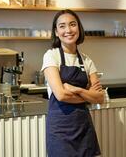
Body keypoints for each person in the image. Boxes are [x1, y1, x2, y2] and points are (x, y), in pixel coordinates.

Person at [41, 9, 104, 157]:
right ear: (56, 32)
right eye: (62, 26)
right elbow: (61, 95)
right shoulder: (51, 56)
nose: (68, 30)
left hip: (83, 127)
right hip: (60, 130)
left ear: (79, 28)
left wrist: (76, 89)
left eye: (72, 24)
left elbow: (100, 98)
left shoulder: (87, 60)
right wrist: (88, 95)